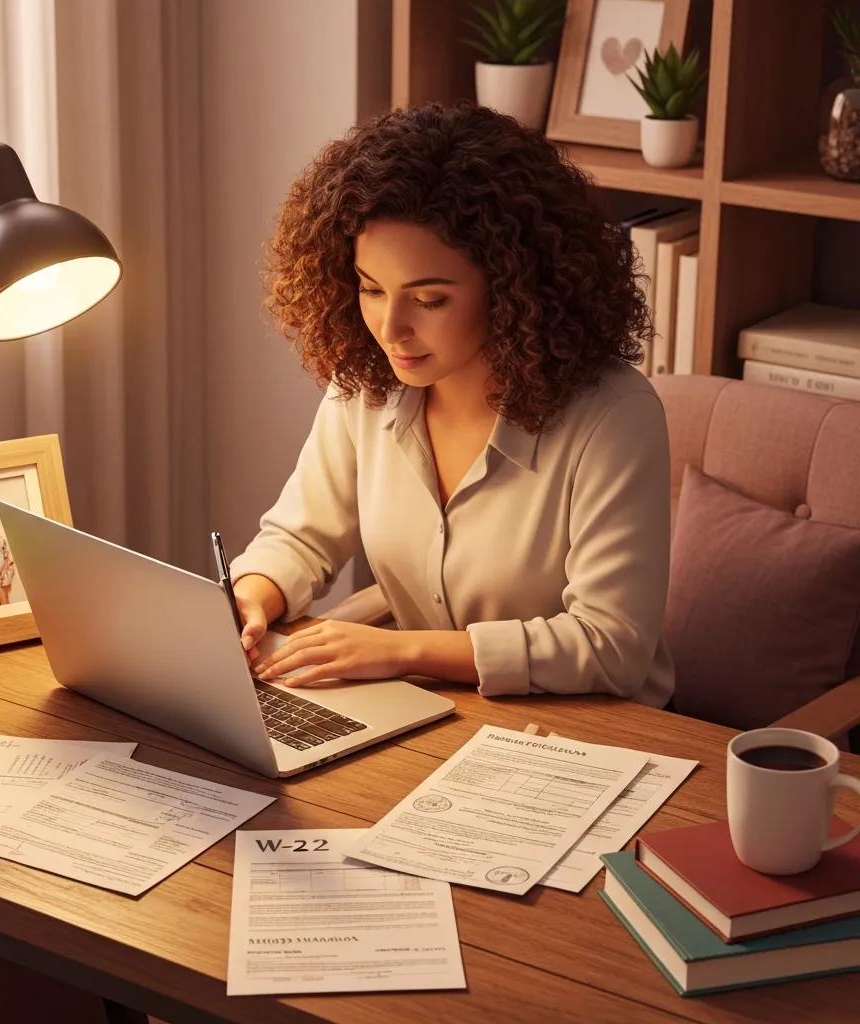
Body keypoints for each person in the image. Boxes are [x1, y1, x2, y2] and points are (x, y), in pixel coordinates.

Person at [229, 102, 673, 707]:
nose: (390, 329)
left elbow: (610, 646)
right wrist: (253, 594)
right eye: (370, 289)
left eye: (429, 300)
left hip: (589, 725)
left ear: (515, 286)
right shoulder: (367, 386)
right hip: (438, 710)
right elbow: (301, 538)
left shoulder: (613, 417)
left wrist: (402, 651)